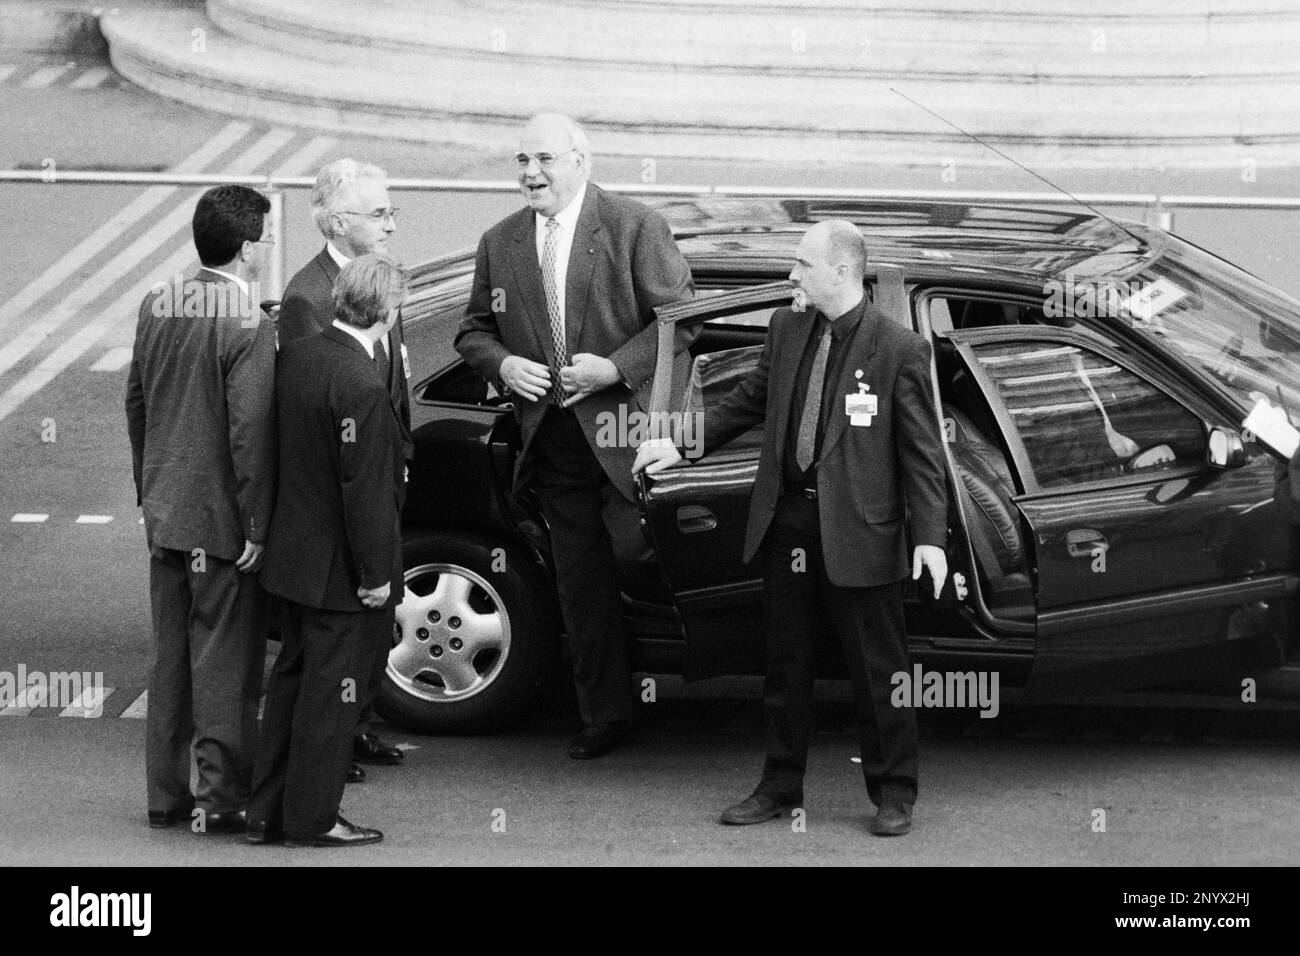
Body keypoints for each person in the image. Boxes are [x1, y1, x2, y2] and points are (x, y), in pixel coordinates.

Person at [634, 220, 949, 836]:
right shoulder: (787, 328)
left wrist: (930, 542)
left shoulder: (899, 350)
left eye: (803, 265)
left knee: (879, 669)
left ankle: (893, 792)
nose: (791, 275)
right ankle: (779, 785)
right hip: (789, 522)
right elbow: (746, 403)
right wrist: (680, 444)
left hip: (861, 531)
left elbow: (923, 457)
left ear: (841, 272)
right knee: (785, 663)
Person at [455, 113, 696, 759]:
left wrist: (616, 367)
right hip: (555, 442)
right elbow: (474, 330)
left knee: (641, 562)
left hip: (630, 435)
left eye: (543, 159)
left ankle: (693, 676)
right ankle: (605, 714)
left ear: (580, 160)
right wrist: (501, 364)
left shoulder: (633, 226)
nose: (530, 173)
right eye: (521, 160)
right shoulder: (500, 241)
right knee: (580, 581)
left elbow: (681, 321)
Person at [125, 184, 277, 835]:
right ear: (246, 248)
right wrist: (255, 522)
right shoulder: (247, 322)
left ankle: (165, 796)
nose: (265, 249)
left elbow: (136, 402)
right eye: (263, 238)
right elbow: (251, 433)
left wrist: (148, 491)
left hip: (167, 513)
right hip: (220, 525)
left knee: (171, 662)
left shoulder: (158, 302)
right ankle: (221, 799)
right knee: (224, 665)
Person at [247, 254, 407, 847]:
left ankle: (267, 811)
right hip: (340, 575)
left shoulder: (303, 357)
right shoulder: (362, 384)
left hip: (293, 562)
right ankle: (313, 819)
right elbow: (363, 493)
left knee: (291, 686)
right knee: (331, 701)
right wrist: (375, 577)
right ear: (386, 312)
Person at [279, 159, 410, 781]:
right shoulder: (309, 297)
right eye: (378, 212)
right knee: (334, 640)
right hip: (337, 506)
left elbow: (391, 377)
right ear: (337, 221)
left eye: (390, 210)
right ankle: (331, 747)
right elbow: (316, 411)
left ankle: (354, 729)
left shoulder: (377, 277)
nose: (390, 222)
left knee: (371, 629)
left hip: (381, 474)